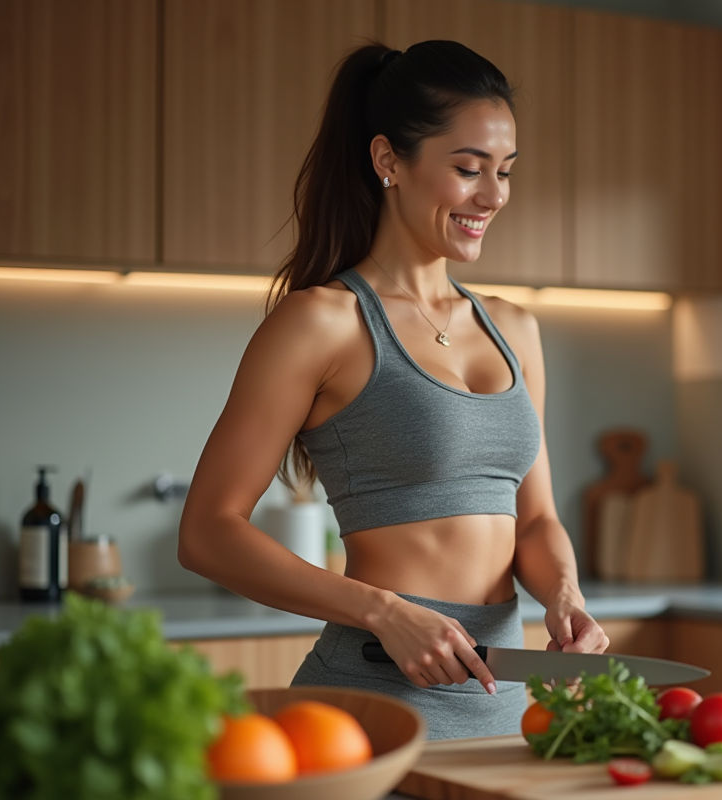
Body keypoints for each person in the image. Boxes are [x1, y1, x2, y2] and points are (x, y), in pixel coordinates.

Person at [177, 40, 609, 740]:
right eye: (468, 169)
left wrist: (565, 595)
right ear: (389, 161)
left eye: (504, 171)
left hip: (508, 712)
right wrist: (383, 610)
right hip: (371, 711)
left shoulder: (515, 329)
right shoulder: (321, 324)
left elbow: (533, 520)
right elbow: (207, 532)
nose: (493, 195)